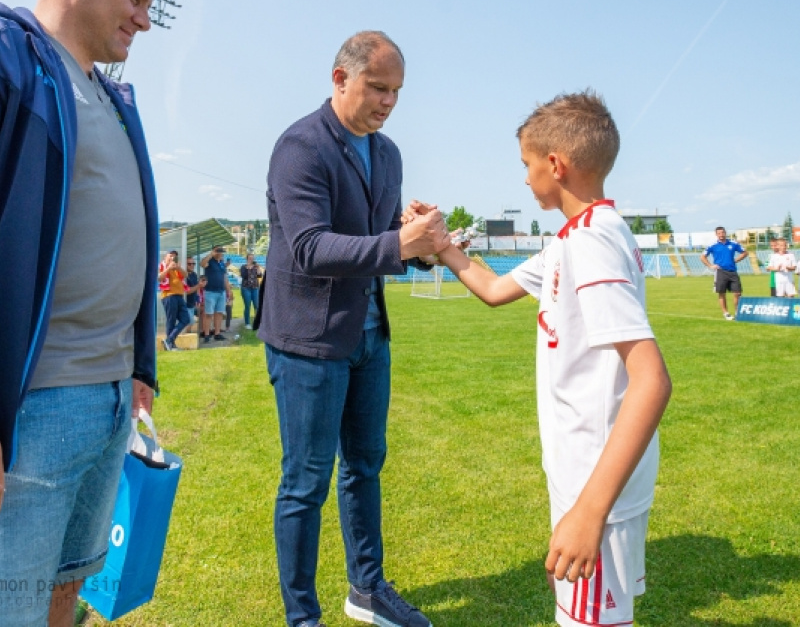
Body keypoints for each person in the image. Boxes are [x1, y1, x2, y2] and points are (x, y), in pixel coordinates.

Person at [407, 91, 672, 627]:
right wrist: (440, 243)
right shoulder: (573, 238)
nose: (525, 179)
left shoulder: (593, 242)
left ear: (556, 165)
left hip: (598, 479)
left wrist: (589, 511)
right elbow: (494, 288)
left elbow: (651, 380)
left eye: (527, 166)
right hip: (580, 471)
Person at [258, 31, 451, 627]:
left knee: (365, 465)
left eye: (396, 91)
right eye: (378, 87)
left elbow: (375, 238)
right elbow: (312, 247)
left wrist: (418, 242)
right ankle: (302, 617)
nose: (389, 101)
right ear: (340, 79)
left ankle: (366, 589)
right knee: (306, 482)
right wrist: (398, 242)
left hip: (370, 335)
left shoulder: (387, 152)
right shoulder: (300, 146)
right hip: (308, 341)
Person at [0, 0, 159, 626]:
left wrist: (141, 365)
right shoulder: (10, 56)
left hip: (107, 397)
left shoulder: (116, 99)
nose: (144, 20)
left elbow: (137, 241)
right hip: (36, 404)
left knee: (72, 584)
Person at [700, 227, 748, 319]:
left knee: (737, 293)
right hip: (720, 271)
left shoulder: (733, 243)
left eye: (722, 233)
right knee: (722, 293)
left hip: (733, 271)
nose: (721, 235)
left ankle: (737, 312)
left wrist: (736, 260)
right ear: (716, 234)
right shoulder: (712, 245)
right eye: (719, 233)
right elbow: (702, 257)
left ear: (725, 233)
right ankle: (726, 313)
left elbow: (745, 253)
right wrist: (710, 266)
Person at [158, 250, 191, 350]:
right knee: (171, 320)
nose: (173, 258)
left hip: (179, 296)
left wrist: (178, 267)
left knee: (186, 319)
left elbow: (186, 275)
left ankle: (169, 340)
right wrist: (168, 268)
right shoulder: (162, 266)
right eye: (171, 256)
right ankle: (170, 344)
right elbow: (159, 278)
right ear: (165, 257)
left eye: (175, 257)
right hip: (169, 296)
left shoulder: (177, 268)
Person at [200, 245, 232, 342]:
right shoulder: (209, 261)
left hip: (221, 291)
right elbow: (202, 264)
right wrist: (211, 254)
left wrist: (228, 290)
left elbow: (224, 277)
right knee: (208, 314)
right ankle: (206, 334)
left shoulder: (221, 263)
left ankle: (217, 333)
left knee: (219, 313)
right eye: (218, 251)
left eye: (221, 251)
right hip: (210, 291)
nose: (220, 253)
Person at [239, 253, 263, 329]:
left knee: (257, 305)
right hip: (246, 288)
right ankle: (247, 323)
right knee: (247, 306)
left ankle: (257, 322)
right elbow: (244, 276)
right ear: (247, 259)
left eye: (252, 258)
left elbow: (260, 275)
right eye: (250, 258)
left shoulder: (256, 267)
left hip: (255, 287)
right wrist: (248, 267)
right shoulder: (243, 267)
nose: (251, 259)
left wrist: (258, 268)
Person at [184, 257, 205, 333]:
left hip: (192, 302)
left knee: (203, 311)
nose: (192, 265)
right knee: (189, 322)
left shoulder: (194, 274)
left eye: (193, 263)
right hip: (185, 303)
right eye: (189, 264)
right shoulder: (184, 276)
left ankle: (202, 331)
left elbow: (197, 289)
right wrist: (198, 286)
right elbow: (186, 291)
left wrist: (198, 299)